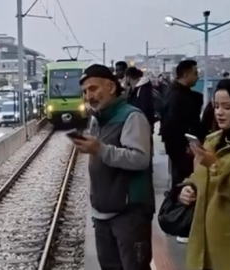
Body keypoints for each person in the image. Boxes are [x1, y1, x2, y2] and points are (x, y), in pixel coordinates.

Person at [70, 64, 154, 270]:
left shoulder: (132, 116)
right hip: (103, 213)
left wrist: (100, 149)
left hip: (129, 214)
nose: (89, 96)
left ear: (110, 87)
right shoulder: (98, 118)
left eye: (93, 88)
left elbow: (140, 158)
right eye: (85, 92)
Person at [179, 78, 230, 270]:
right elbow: (199, 176)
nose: (219, 112)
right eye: (216, 106)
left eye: (227, 107)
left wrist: (215, 165)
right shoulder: (212, 141)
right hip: (203, 239)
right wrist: (188, 188)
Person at [160, 59, 203, 244]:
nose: (197, 76)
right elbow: (172, 125)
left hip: (183, 149)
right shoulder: (177, 97)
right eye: (195, 72)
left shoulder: (177, 93)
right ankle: (183, 224)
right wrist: (185, 145)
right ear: (185, 74)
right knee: (184, 185)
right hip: (183, 151)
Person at [125, 67, 155, 131]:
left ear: (128, 77)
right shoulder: (136, 89)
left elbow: (145, 109)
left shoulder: (143, 89)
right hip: (139, 125)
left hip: (143, 126)